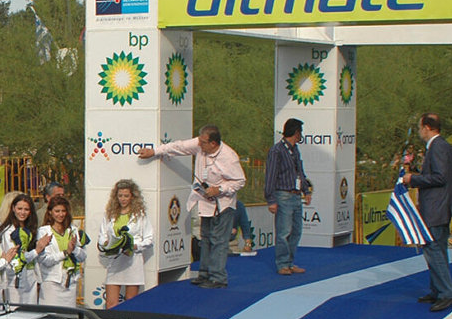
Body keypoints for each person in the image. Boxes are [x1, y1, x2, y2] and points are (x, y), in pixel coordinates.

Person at [138, 125, 246, 289]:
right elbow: (179, 147)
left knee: (218, 241)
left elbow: (240, 181)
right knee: (205, 238)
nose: (199, 145)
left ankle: (218, 277)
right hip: (205, 201)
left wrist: (220, 189)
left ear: (213, 143)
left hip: (222, 204)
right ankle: (204, 274)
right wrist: (155, 151)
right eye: (199, 141)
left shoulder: (228, 157)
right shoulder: (199, 145)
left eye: (203, 142)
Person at [404, 112, 452, 312]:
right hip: (441, 206)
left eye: (420, 127)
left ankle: (446, 293)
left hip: (436, 207)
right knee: (438, 248)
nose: (420, 131)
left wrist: (413, 179)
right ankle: (437, 289)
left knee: (433, 248)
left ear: (427, 127)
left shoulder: (438, 147)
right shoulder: (443, 147)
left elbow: (439, 177)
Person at [265, 118, 314, 276]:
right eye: (300, 132)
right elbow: (270, 176)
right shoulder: (277, 151)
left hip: (296, 194)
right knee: (284, 231)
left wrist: (306, 191)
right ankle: (282, 263)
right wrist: (271, 199)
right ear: (296, 132)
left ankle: (290, 262)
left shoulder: (295, 150)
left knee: (296, 231)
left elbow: (300, 172)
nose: (301, 135)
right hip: (283, 194)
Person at [96, 179, 154, 308]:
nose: (123, 199)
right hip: (115, 261)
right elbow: (102, 236)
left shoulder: (139, 215)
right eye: (120, 196)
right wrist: (107, 243)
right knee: (111, 303)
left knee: (130, 301)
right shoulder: (110, 214)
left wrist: (134, 246)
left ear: (132, 196)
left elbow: (149, 239)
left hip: (133, 261)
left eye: (126, 196)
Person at [0, 192, 47, 305]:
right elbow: (16, 258)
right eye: (19, 209)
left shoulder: (31, 229)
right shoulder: (8, 231)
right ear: (13, 208)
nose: (22, 212)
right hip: (15, 279)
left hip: (31, 278)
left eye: (26, 209)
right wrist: (36, 251)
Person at [37, 196, 88, 308]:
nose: (60, 214)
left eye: (63, 211)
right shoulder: (43, 231)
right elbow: (45, 260)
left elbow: (82, 257)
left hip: (70, 282)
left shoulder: (73, 230)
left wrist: (74, 249)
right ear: (50, 212)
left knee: (68, 316)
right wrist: (65, 253)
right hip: (52, 283)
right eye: (57, 211)